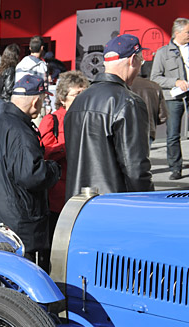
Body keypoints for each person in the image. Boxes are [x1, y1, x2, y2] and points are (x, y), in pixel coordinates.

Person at [0, 75, 61, 270]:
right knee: (18, 283)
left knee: (0, 277)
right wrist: (53, 169)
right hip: (17, 224)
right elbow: (31, 175)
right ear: (36, 100)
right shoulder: (20, 130)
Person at [65, 34, 154, 198]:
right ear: (132, 60)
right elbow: (135, 168)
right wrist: (147, 202)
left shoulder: (77, 101)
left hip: (78, 203)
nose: (140, 67)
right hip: (114, 205)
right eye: (140, 61)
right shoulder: (128, 102)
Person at [39, 70, 89, 235]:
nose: (81, 98)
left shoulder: (89, 118)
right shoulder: (52, 120)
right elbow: (45, 152)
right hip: (58, 196)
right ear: (62, 99)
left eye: (84, 93)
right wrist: (70, 146)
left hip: (84, 192)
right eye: (76, 94)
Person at [149, 17, 189, 179]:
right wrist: (176, 82)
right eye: (187, 32)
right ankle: (175, 168)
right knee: (173, 134)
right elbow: (155, 77)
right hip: (174, 98)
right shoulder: (163, 53)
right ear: (177, 33)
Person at [131, 64, 166, 147]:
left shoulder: (120, 85)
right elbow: (163, 116)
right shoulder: (155, 86)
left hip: (126, 131)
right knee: (143, 158)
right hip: (148, 131)